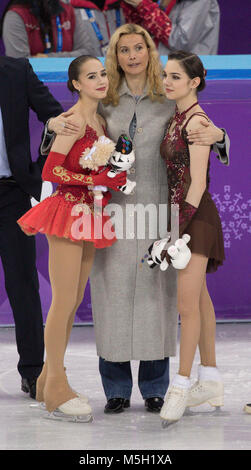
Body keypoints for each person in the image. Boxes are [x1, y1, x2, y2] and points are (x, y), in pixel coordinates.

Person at [76, 24, 228, 414]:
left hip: (161, 212)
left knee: (155, 299)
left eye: (138, 48)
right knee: (110, 294)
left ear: (150, 51)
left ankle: (156, 387)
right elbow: (75, 123)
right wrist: (51, 125)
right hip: (113, 212)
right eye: (123, 49)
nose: (131, 56)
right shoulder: (105, 99)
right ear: (115, 55)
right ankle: (115, 389)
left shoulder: (169, 98)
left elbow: (202, 126)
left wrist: (221, 135)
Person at [17, 54, 126, 422]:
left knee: (75, 297)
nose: (100, 80)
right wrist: (95, 180)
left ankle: (49, 376)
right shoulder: (75, 120)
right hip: (66, 209)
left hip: (87, 212)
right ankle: (56, 388)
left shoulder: (100, 119)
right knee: (63, 300)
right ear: (76, 83)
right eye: (91, 76)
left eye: (102, 74)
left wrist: (110, 177)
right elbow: (52, 169)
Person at [0, 54, 83, 399]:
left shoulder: (16, 71)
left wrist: (41, 156)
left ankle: (33, 370)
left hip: (11, 193)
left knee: (22, 284)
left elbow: (55, 115)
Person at [157, 51, 225, 426]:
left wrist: (174, 233)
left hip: (194, 220)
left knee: (186, 306)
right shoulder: (176, 116)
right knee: (199, 301)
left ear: (194, 81)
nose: (167, 82)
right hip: (181, 218)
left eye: (176, 77)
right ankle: (210, 377)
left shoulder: (196, 121)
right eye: (166, 76)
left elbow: (197, 183)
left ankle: (180, 386)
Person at [122, 0, 220, 55]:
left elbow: (181, 42)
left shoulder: (200, 1)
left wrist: (145, 7)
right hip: (160, 76)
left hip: (188, 77)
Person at [1, 0, 94, 58]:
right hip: (30, 85)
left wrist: (48, 58)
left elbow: (87, 52)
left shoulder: (68, 10)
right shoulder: (16, 15)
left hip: (69, 80)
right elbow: (19, 64)